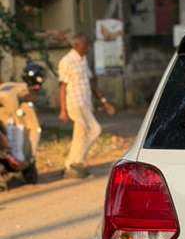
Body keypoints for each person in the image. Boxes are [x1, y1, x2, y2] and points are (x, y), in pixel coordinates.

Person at [58, 34, 115, 178]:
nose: (88, 47)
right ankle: (78, 162)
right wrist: (63, 110)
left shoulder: (83, 60)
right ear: (77, 45)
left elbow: (91, 83)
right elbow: (62, 87)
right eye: (86, 45)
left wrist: (104, 102)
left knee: (80, 136)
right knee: (95, 129)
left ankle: (69, 165)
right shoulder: (66, 61)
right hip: (75, 104)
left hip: (86, 103)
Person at [0, 61, 46, 184]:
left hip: (4, 115)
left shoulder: (13, 85)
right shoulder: (22, 89)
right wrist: (16, 117)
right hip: (7, 115)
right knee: (18, 132)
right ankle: (17, 156)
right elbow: (7, 96)